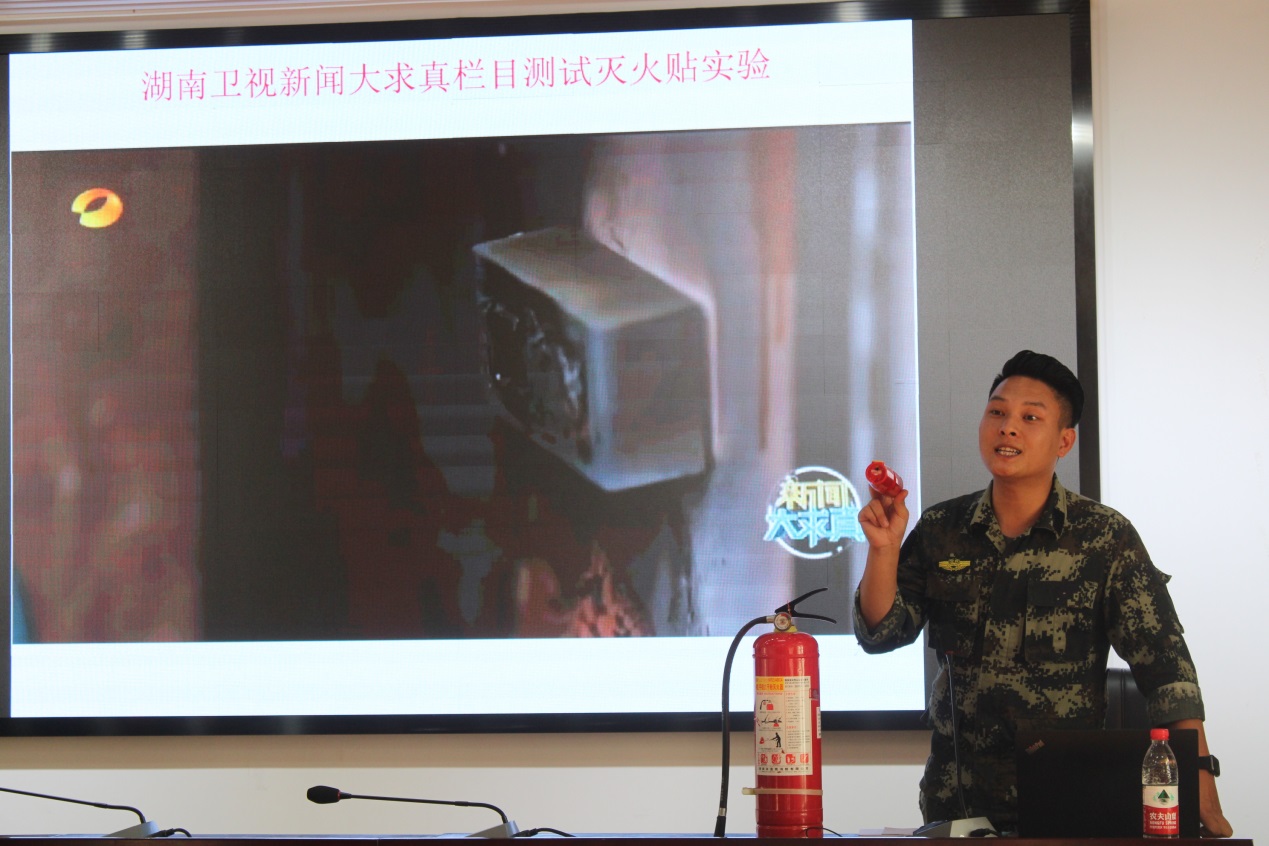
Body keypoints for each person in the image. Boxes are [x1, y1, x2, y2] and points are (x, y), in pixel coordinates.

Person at [853, 350, 1232, 837]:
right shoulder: (942, 528)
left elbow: (1168, 671)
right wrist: (883, 550)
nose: (1008, 427)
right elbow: (881, 633)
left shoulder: (1105, 537)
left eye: (1030, 417)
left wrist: (1200, 779)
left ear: (1064, 441)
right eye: (997, 412)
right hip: (958, 805)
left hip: (1067, 804)